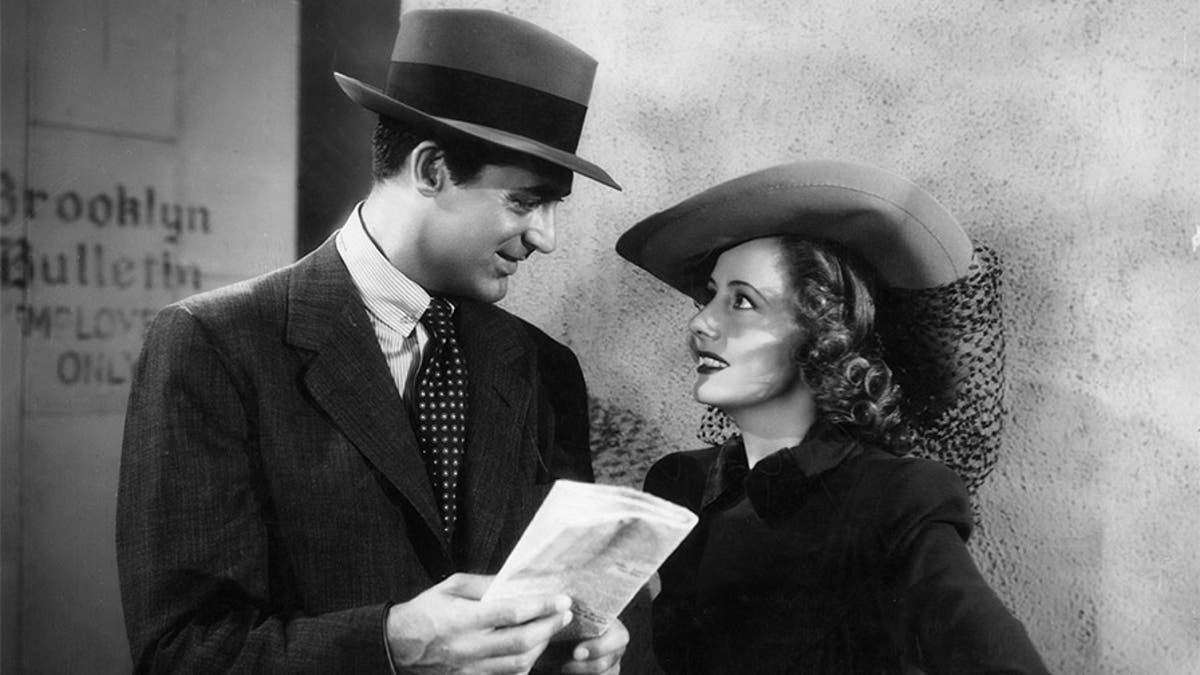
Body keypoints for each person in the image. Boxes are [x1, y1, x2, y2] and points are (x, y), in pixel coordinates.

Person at [116, 9, 628, 674]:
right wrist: (389, 643)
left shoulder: (543, 369)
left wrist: (589, 650)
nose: (546, 237)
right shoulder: (214, 345)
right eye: (526, 203)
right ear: (432, 168)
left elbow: (560, 606)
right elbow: (180, 653)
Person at [615, 159, 1049, 673]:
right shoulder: (681, 484)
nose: (701, 322)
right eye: (710, 295)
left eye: (743, 302)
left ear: (822, 337)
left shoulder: (893, 498)